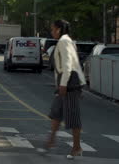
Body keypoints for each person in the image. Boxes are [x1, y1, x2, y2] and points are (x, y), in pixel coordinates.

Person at [40, 20, 85, 159]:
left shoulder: (64, 41)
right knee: (56, 112)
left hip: (70, 82)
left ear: (59, 29)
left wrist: (63, 84)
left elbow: (67, 65)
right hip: (65, 81)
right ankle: (50, 141)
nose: (51, 31)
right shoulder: (66, 41)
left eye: (53, 29)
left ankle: (77, 147)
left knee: (72, 115)